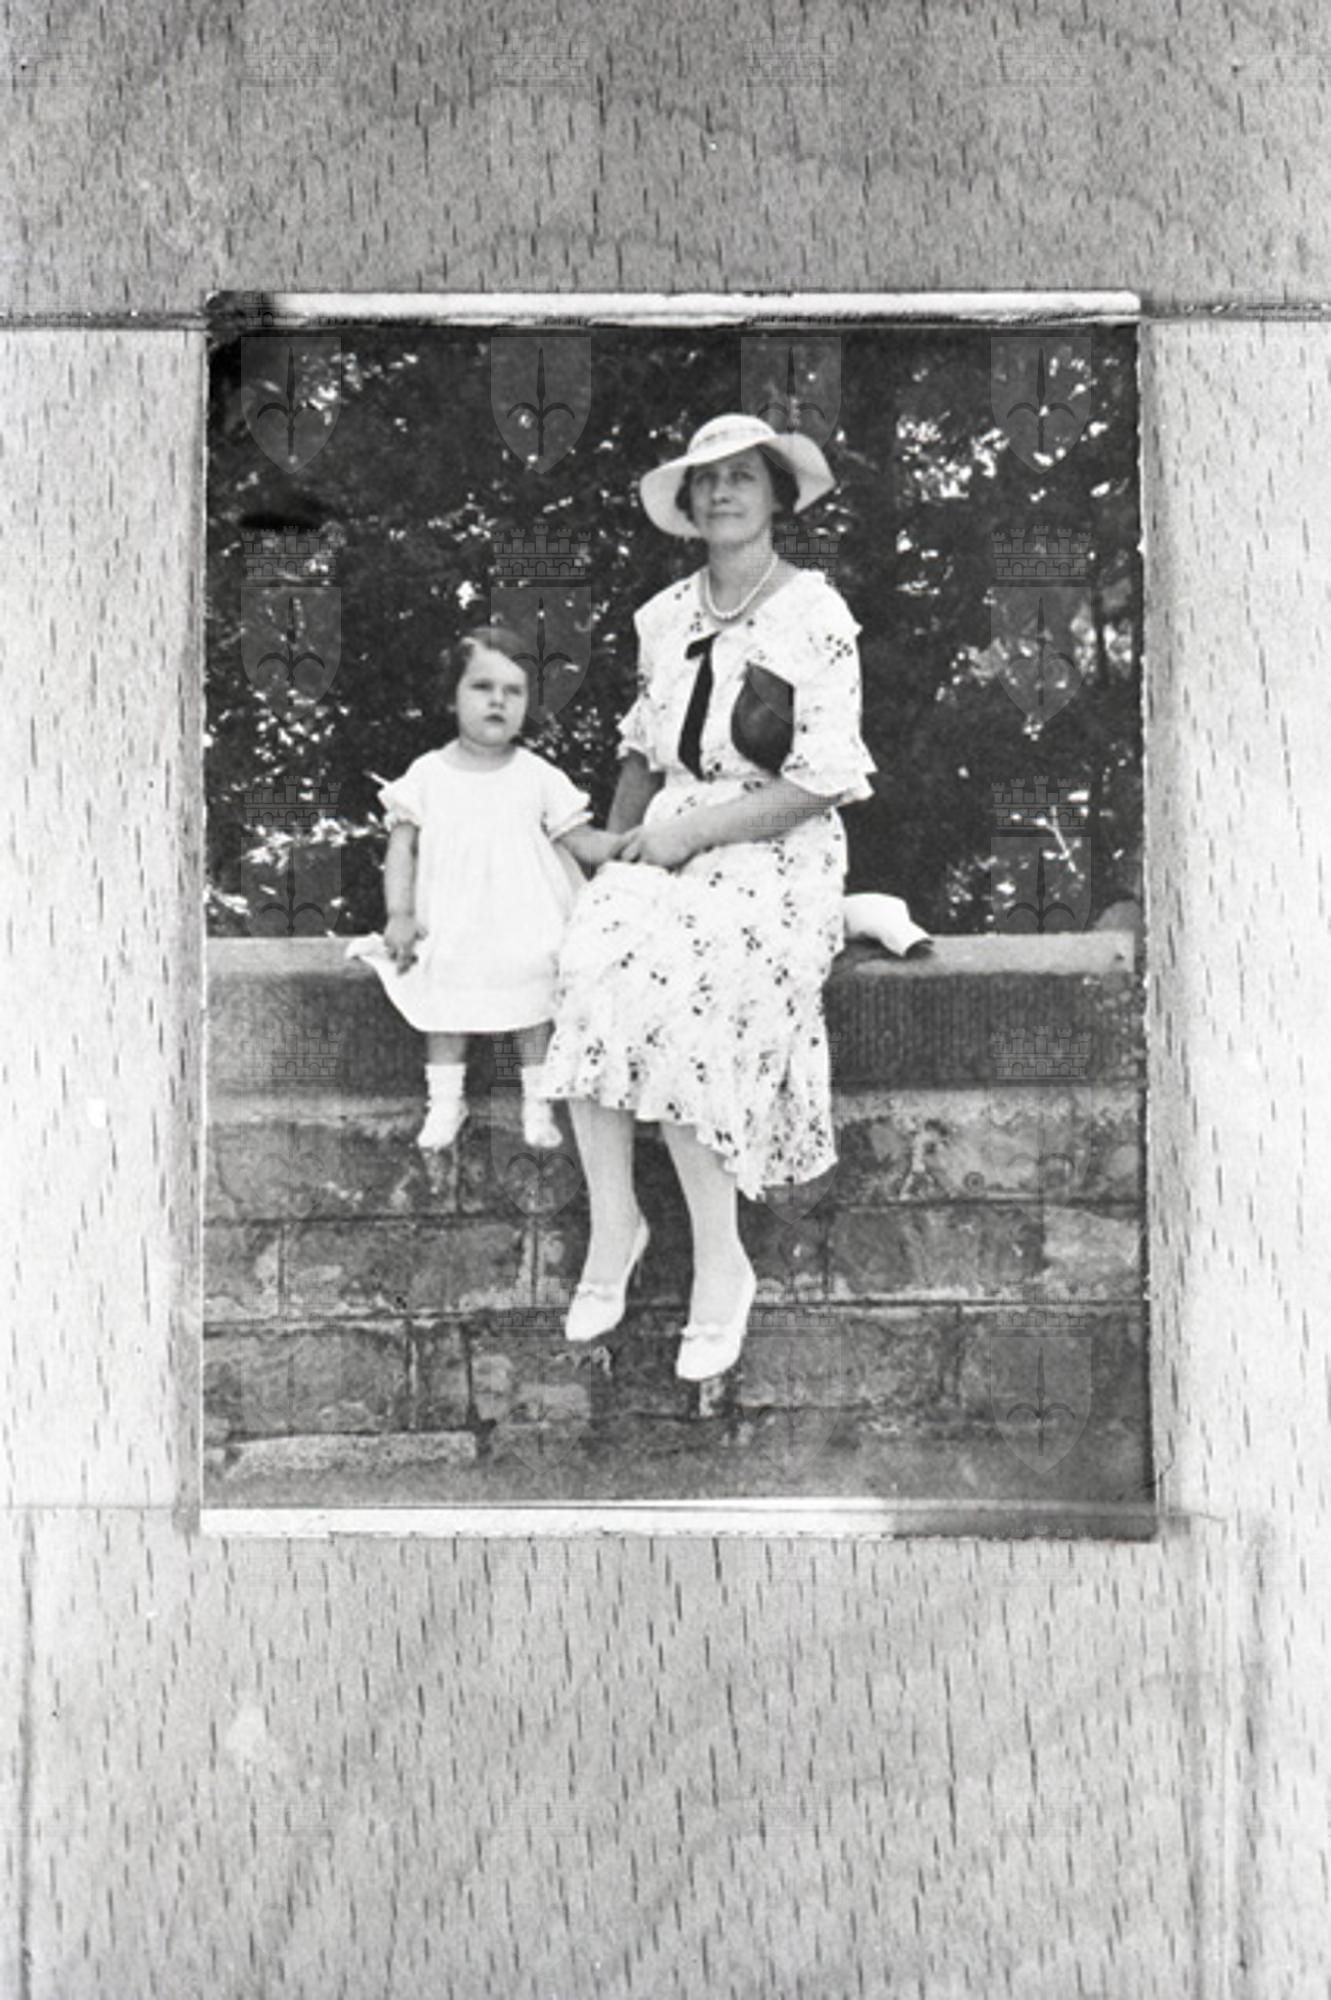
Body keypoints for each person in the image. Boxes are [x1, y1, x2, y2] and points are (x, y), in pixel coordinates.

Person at [543, 413, 875, 1381]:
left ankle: (721, 1262)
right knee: (592, 957)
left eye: (742, 478)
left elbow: (820, 780)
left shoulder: (815, 611)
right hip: (668, 833)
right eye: (706, 481)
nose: (722, 493)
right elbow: (642, 756)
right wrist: (616, 862)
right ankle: (617, 1224)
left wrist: (690, 836)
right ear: (686, 504)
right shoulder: (662, 616)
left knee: (693, 976)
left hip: (776, 841)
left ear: (775, 497)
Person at [348, 626, 624, 1150]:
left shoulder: (537, 774)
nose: (498, 700)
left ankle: (538, 1103)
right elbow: (402, 849)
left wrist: (631, 847)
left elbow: (581, 839)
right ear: (452, 697)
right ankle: (445, 1103)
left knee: (536, 988)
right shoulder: (428, 774)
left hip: (524, 918)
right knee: (442, 987)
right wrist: (399, 913)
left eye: (513, 691)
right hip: (451, 917)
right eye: (482, 687)